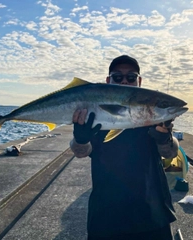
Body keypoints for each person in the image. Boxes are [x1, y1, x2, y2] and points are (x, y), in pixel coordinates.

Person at [70, 55, 178, 240]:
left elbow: (171, 153)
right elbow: (80, 152)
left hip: (151, 212)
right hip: (106, 215)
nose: (125, 81)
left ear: (139, 81)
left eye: (131, 77)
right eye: (118, 77)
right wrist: (80, 138)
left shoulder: (150, 112)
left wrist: (164, 136)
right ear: (108, 81)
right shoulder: (95, 113)